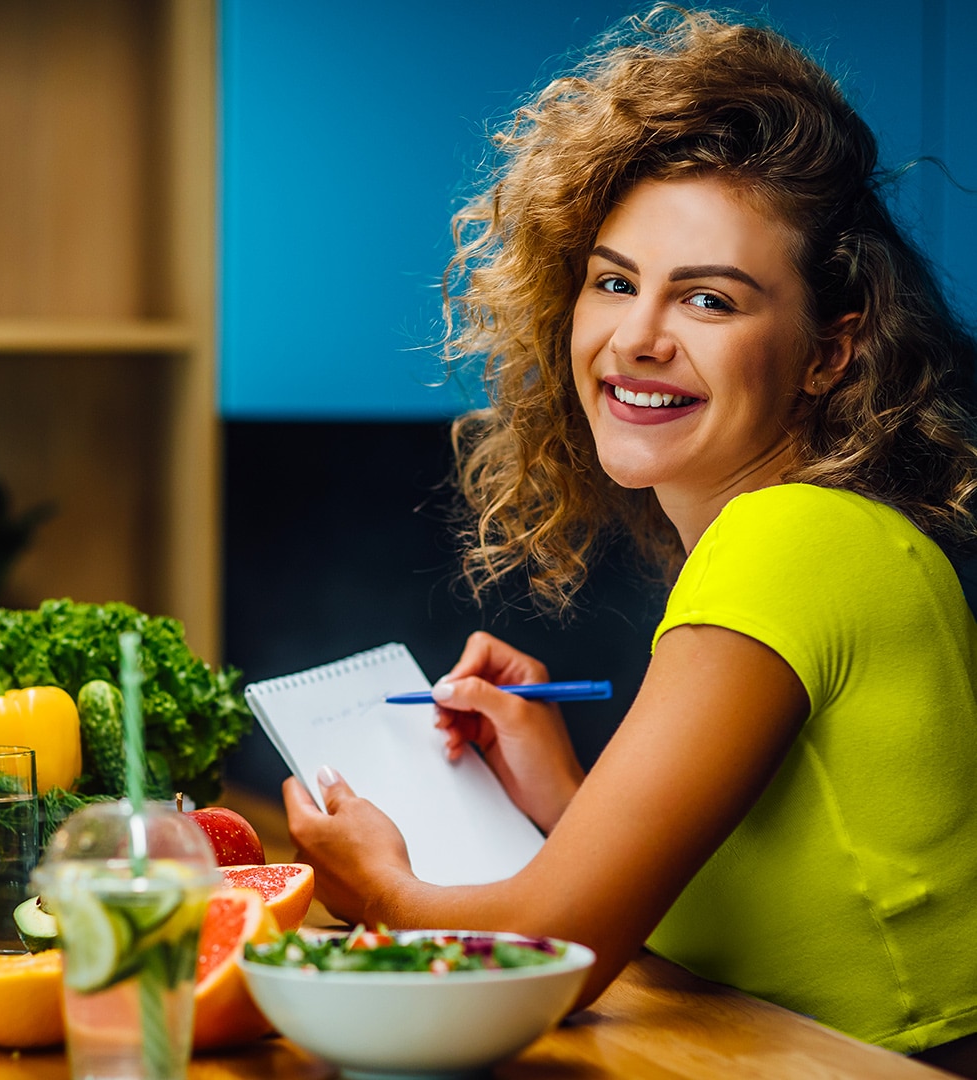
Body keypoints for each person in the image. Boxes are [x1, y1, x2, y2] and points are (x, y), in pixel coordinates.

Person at [283, 5, 977, 1070]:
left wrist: (374, 883)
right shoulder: (812, 537)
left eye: (707, 299)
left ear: (827, 354)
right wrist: (560, 794)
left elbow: (544, 955)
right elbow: (723, 917)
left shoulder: (787, 540)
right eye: (612, 282)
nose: (635, 338)